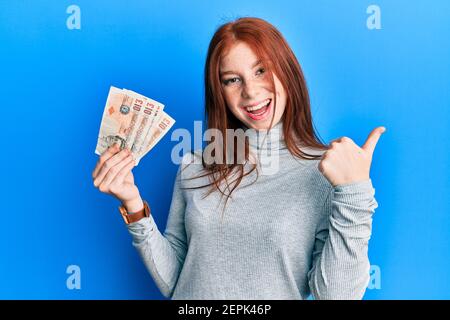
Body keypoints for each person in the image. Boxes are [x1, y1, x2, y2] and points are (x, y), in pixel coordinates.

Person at [92, 17, 385, 300]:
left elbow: (335, 296)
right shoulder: (195, 165)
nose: (251, 91)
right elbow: (176, 283)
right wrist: (132, 204)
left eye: (261, 71)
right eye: (232, 80)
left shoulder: (327, 172)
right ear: (220, 92)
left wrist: (354, 193)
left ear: (288, 72)